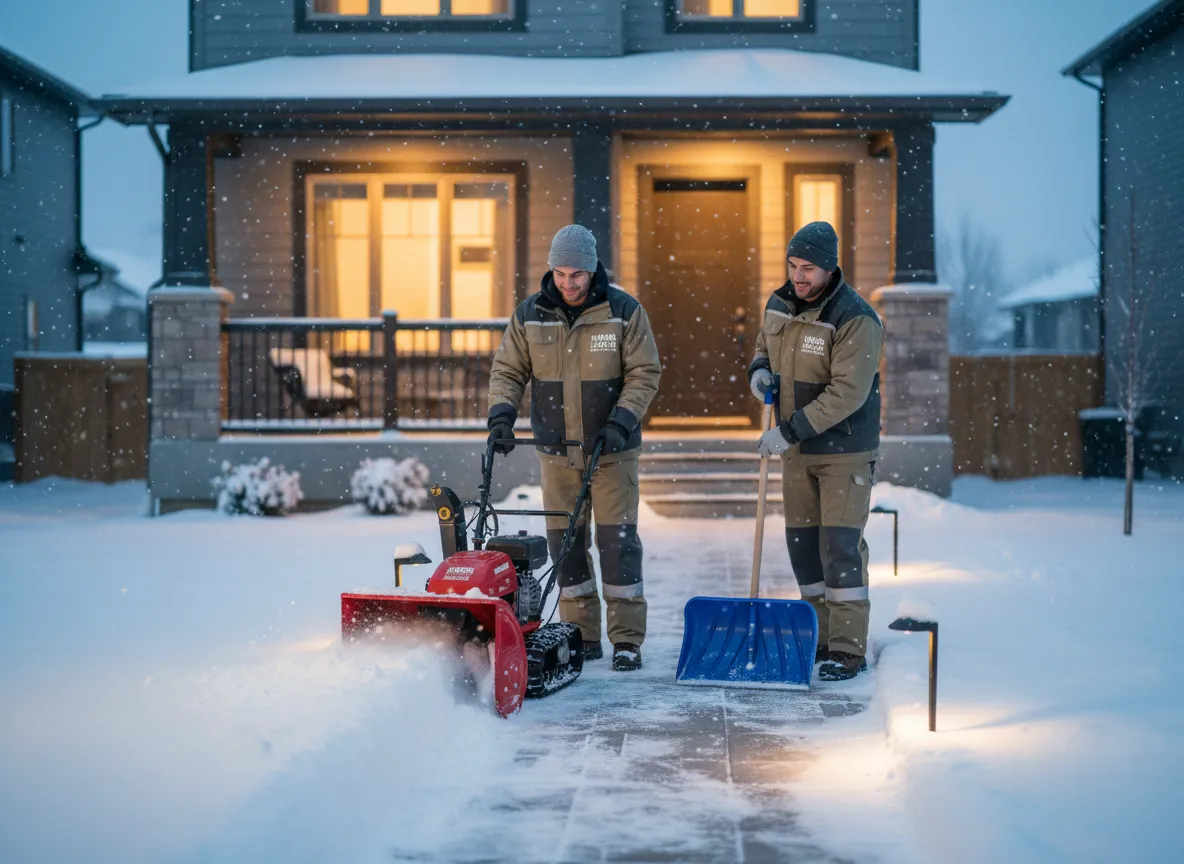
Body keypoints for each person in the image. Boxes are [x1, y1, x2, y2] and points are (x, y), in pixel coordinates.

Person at [486, 225, 662, 671]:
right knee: (566, 544)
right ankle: (581, 635)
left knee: (617, 543)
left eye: (577, 274)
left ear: (592, 269)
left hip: (612, 452)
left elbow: (644, 372)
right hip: (557, 452)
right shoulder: (531, 314)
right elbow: (508, 370)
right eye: (561, 274)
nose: (568, 283)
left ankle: (626, 639)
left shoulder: (623, 311)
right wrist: (502, 416)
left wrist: (620, 422)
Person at [748, 221, 884, 681]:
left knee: (840, 547)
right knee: (804, 548)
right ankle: (820, 637)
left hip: (844, 451)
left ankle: (847, 648)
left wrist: (788, 431)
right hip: (798, 451)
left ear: (829, 268)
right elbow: (764, 346)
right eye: (793, 265)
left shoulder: (855, 318)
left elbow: (848, 392)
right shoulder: (779, 303)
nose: (798, 276)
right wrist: (759, 371)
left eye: (808, 268)